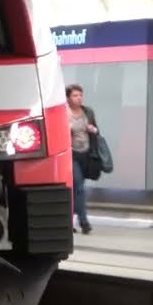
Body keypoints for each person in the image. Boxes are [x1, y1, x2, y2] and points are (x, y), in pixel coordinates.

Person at [66, 84, 97, 234]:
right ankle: (84, 221)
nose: (78, 98)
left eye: (80, 95)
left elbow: (96, 129)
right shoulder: (63, 113)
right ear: (68, 98)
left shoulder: (87, 111)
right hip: (71, 154)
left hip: (86, 153)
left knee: (75, 190)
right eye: (75, 95)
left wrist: (92, 130)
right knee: (79, 187)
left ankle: (68, 221)